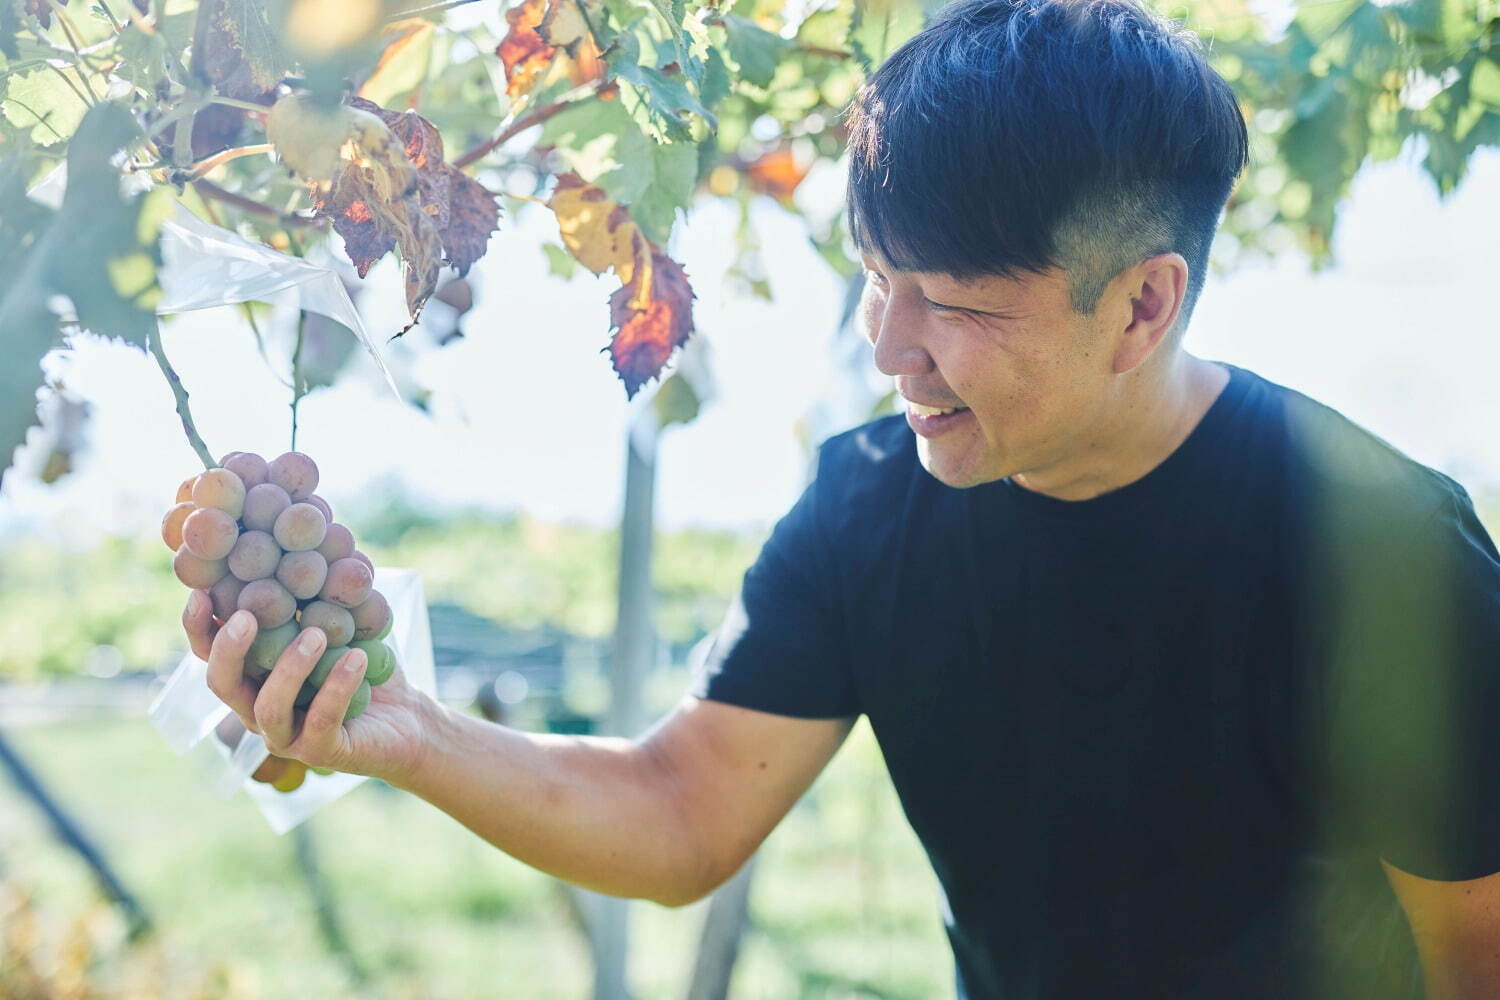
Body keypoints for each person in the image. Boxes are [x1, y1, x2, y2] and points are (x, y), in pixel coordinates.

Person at [185, 0, 1500, 995]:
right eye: (880, 276)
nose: (889, 345)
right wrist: (409, 731)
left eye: (960, 306)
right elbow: (683, 812)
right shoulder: (869, 510)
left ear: (1143, 303)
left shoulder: (1382, 551)